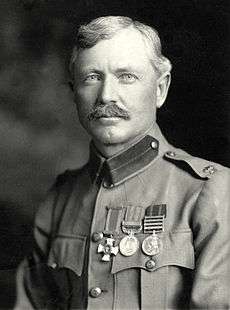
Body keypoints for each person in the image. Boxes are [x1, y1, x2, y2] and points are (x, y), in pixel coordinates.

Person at [15, 16, 230, 309]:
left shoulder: (211, 190)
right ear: (73, 94)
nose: (106, 95)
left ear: (160, 89)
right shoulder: (59, 199)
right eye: (92, 77)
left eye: (126, 76)